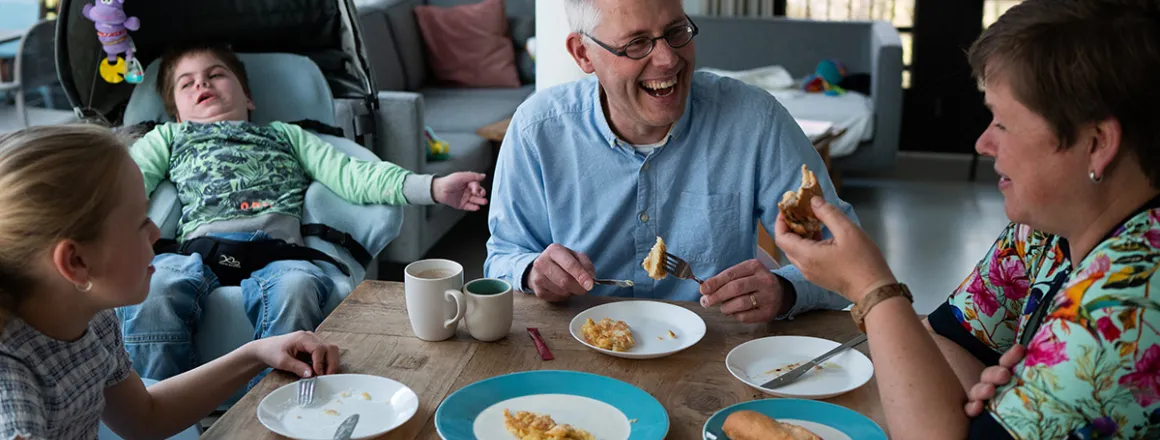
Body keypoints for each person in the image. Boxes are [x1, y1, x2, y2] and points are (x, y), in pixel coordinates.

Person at [773, 1, 1160, 438]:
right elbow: (942, 339)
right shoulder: (1043, 232)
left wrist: (870, 286)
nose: (982, 143)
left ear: (1097, 143)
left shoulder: (1131, 298)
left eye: (1004, 124)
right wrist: (993, 398)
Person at [117, 43, 489, 383]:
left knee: (298, 287)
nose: (203, 84)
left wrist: (434, 187)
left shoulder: (286, 135)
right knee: (156, 291)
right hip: (198, 250)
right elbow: (128, 183)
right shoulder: (169, 138)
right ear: (176, 114)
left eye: (215, 74)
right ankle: (165, 408)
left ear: (248, 97)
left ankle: (278, 407)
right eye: (187, 84)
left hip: (279, 253)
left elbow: (354, 174)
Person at [484, 0, 858, 322]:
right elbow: (503, 256)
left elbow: (846, 259)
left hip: (719, 354)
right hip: (578, 350)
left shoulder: (754, 121)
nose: (667, 60)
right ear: (583, 53)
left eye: (677, 31)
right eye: (636, 43)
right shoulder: (537, 130)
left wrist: (784, 289)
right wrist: (532, 271)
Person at [0, 125, 342, 440]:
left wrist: (258, 353)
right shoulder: (11, 387)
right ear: (76, 263)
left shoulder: (93, 318)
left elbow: (144, 418)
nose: (156, 232)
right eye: (139, 223)